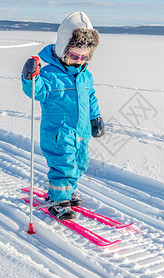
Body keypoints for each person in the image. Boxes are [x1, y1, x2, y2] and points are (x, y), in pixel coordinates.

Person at [21, 11, 105, 221]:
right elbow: (36, 91)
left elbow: (91, 97)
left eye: (84, 57)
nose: (79, 61)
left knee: (80, 163)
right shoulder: (50, 74)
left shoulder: (86, 75)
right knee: (64, 164)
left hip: (82, 130)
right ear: (62, 50)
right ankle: (58, 199)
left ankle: (68, 191)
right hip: (58, 132)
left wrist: (95, 118)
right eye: (74, 56)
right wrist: (30, 77)